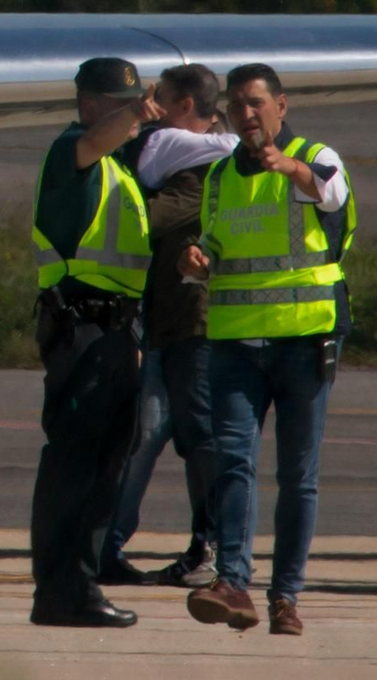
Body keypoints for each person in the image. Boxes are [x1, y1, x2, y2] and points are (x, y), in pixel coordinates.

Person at [178, 63, 355, 637]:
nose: (246, 115)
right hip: (235, 344)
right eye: (236, 106)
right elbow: (215, 240)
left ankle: (286, 596)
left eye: (256, 103)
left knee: (297, 474)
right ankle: (233, 582)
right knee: (233, 462)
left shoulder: (316, 155)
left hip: (303, 341)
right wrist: (196, 261)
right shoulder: (221, 176)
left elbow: (332, 195)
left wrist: (293, 168)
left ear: (283, 105)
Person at [28, 57, 161, 629]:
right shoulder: (71, 154)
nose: (131, 120)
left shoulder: (121, 171)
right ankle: (62, 591)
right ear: (88, 106)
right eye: (118, 106)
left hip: (113, 331)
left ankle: (79, 587)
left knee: (105, 466)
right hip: (79, 327)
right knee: (74, 465)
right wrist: (133, 115)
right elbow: (94, 142)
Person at [98, 64, 235, 589]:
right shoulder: (196, 154)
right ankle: (108, 544)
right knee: (151, 433)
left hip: (193, 327)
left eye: (159, 99)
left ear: (181, 108)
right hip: (165, 324)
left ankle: (212, 546)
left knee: (196, 436)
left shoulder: (196, 168)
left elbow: (148, 219)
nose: (148, 107)